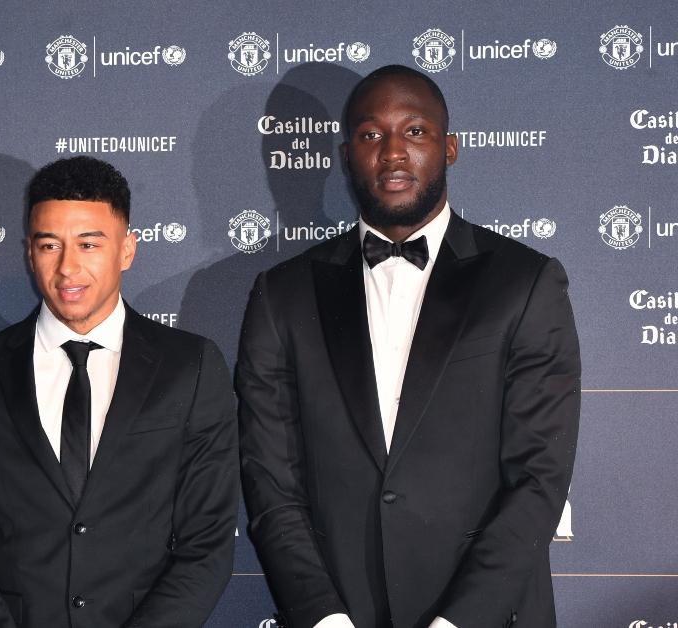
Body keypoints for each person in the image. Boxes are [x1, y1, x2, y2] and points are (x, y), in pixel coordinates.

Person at [237, 65, 580, 628]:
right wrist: (323, 616)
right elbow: (271, 478)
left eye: (415, 131)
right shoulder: (282, 294)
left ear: (450, 148)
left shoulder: (525, 282)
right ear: (347, 155)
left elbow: (539, 477)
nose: (393, 152)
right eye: (372, 135)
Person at [0, 156, 238, 627]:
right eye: (50, 245)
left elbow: (207, 543)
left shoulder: (190, 367)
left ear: (127, 250)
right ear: (30, 252)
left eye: (89, 244)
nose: (68, 267)